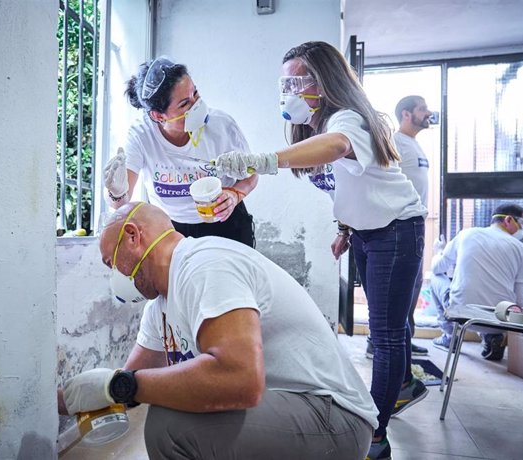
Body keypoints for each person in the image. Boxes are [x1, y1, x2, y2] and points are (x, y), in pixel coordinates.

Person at [214, 41, 429, 460]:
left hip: (398, 230)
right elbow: (351, 184)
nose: (289, 91)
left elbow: (337, 148)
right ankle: (401, 386)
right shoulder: (311, 127)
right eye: (285, 83)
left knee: (384, 336)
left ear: (325, 81)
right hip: (367, 233)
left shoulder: (348, 119)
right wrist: (345, 228)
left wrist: (262, 160)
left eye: (298, 81)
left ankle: (375, 437)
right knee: (393, 327)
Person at [61, 201, 378, 460]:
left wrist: (121, 385)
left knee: (170, 426)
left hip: (334, 418)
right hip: (289, 412)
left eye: (111, 263)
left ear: (133, 236)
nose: (115, 276)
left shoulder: (205, 265)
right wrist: (64, 399)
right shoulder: (159, 307)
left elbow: (239, 380)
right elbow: (128, 384)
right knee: (175, 411)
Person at [103, 56, 258, 247]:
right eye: (185, 104)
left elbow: (252, 175)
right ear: (158, 116)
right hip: (171, 230)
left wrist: (235, 194)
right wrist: (116, 192)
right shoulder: (141, 135)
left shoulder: (222, 125)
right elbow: (119, 204)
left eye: (196, 93)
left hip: (226, 224)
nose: (197, 105)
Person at [367, 95, 434, 359]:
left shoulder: (415, 145)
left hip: (415, 224)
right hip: (398, 226)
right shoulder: (396, 143)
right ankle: (380, 341)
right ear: (406, 114)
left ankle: (406, 339)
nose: (428, 113)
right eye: (422, 109)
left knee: (412, 287)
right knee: (397, 292)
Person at [430, 204, 523, 361]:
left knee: (435, 278)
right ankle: (492, 337)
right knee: (499, 294)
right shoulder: (522, 250)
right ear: (508, 220)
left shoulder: (466, 234)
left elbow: (437, 268)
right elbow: (521, 298)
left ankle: (451, 336)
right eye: (522, 224)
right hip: (501, 321)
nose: (522, 229)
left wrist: (439, 252)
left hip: (461, 316)